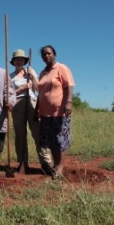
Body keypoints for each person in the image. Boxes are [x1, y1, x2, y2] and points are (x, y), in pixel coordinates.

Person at [9, 49, 52, 174]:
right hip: (17, 104)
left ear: (24, 61)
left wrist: (32, 75)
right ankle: (23, 162)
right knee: (20, 134)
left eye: (21, 59)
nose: (19, 61)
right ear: (13, 61)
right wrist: (22, 88)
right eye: (17, 59)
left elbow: (39, 88)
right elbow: (10, 93)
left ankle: (46, 162)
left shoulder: (30, 72)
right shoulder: (10, 76)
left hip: (32, 102)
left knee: (37, 132)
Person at [35, 45, 75, 178]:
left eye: (49, 53)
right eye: (44, 55)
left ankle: (59, 166)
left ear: (54, 54)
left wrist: (69, 102)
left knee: (59, 139)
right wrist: (37, 108)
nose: (46, 56)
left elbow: (69, 85)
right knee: (51, 140)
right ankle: (55, 164)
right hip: (45, 112)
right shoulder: (43, 73)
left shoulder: (61, 68)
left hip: (59, 111)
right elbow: (40, 92)